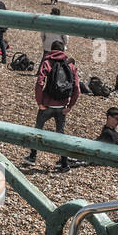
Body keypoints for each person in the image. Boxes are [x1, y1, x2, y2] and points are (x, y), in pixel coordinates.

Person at [25, 43, 80, 172]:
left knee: (38, 130)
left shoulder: (47, 62)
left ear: (51, 50)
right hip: (62, 107)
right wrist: (70, 106)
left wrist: (39, 102)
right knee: (60, 134)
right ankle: (64, 164)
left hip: (47, 105)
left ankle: (32, 157)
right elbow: (77, 88)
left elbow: (40, 83)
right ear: (63, 50)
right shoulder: (70, 65)